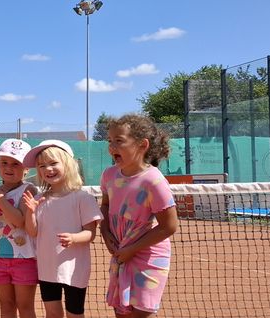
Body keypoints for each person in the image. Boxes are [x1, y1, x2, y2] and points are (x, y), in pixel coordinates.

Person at [100, 114, 179, 318]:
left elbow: (169, 226)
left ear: (142, 145)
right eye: (110, 141)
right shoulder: (108, 175)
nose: (112, 147)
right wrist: (105, 232)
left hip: (148, 256)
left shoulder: (153, 181)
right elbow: (105, 205)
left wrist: (132, 249)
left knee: (141, 313)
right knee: (121, 311)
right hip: (121, 252)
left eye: (119, 141)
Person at [21, 140, 102, 318]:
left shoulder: (83, 198)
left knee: (74, 313)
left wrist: (74, 238)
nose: (48, 169)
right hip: (47, 269)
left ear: (67, 164)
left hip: (75, 269)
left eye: (53, 163)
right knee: (52, 313)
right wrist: (31, 212)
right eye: (42, 165)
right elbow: (32, 232)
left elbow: (90, 233)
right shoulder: (38, 199)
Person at [0, 139, 39, 318]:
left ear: (26, 169)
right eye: (4, 162)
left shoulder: (29, 189)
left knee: (25, 306)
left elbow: (19, 221)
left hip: (24, 259)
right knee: (6, 306)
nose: (9, 168)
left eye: (15, 164)